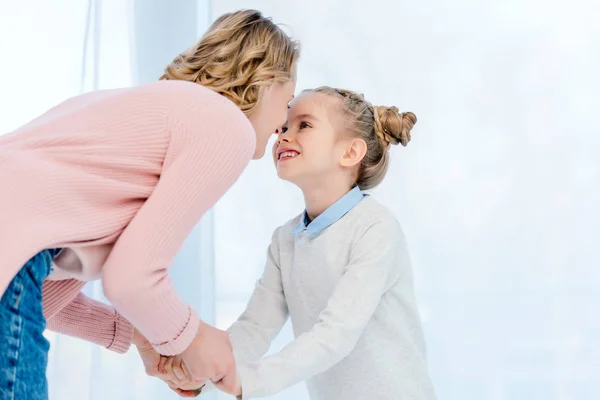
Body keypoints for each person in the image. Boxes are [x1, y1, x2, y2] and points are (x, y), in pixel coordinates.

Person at [0, 9, 298, 400]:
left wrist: (138, 333)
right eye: (288, 101)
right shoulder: (226, 125)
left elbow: (33, 295)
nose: (284, 122)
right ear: (263, 79)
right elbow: (133, 278)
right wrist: (195, 338)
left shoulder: (125, 110)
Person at [167, 87, 437, 399]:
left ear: (350, 153)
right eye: (282, 126)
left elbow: (337, 332)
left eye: (303, 125)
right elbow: (255, 327)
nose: (282, 135)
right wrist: (203, 370)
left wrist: (249, 380)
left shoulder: (375, 228)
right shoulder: (286, 240)